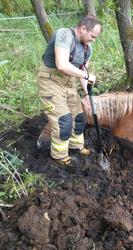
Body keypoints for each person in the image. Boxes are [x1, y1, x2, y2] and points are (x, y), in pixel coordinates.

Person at [37, 16, 102, 166]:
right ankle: (60, 157)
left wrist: (87, 93)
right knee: (63, 122)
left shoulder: (87, 48)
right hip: (50, 81)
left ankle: (76, 147)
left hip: (68, 84)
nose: (94, 40)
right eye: (93, 36)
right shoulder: (64, 35)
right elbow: (62, 65)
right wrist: (86, 75)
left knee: (79, 117)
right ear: (83, 28)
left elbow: (83, 71)